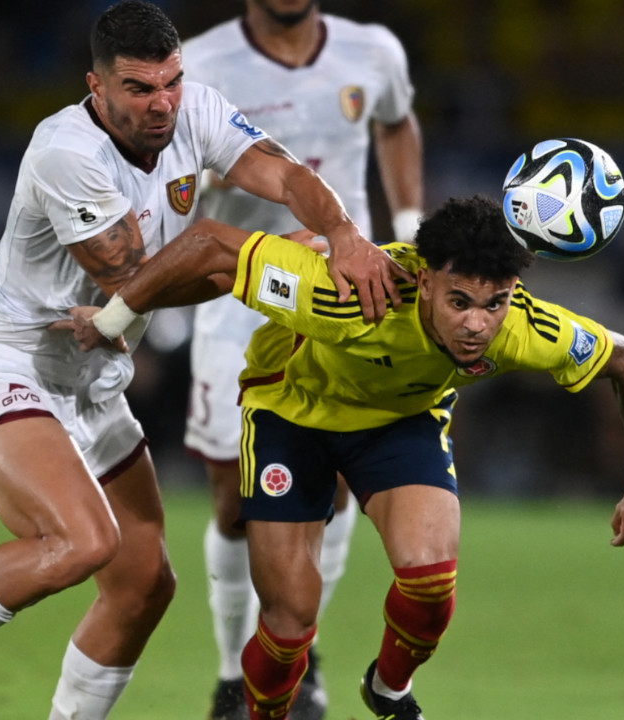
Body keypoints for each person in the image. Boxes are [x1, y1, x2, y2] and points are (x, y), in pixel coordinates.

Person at [0, 3, 405, 720]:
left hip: (93, 382)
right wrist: (274, 260)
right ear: (97, 86)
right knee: (81, 542)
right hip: (9, 369)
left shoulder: (193, 108)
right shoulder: (65, 153)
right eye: (140, 89)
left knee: (145, 581)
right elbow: (136, 280)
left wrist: (341, 233)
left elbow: (286, 174)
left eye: (170, 82)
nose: (162, 104)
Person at [55, 194, 624, 720]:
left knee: (431, 581)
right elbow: (211, 246)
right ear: (424, 281)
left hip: (398, 424)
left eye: (495, 302)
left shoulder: (522, 327)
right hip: (291, 414)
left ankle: (388, 689)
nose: (479, 325)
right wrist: (115, 316)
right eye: (460, 302)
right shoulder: (341, 290)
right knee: (290, 621)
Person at [179, 2, 423, 718]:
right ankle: (232, 670)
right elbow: (170, 166)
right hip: (238, 296)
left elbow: (397, 120)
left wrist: (409, 229)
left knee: (337, 484)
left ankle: (300, 653)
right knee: (233, 498)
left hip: (349, 298)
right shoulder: (199, 64)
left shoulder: (373, 51)